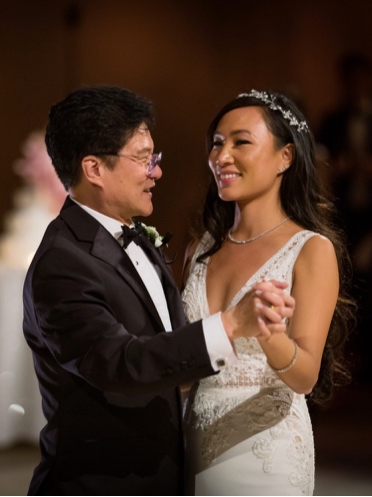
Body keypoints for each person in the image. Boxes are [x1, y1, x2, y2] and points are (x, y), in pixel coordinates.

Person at [22, 85, 293, 495]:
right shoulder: (62, 264)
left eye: (155, 158)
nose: (157, 172)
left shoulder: (133, 233)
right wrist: (232, 323)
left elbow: (167, 344)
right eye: (143, 159)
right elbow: (121, 364)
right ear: (94, 169)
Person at [180, 90, 353, 495]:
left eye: (241, 142)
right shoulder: (200, 248)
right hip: (194, 447)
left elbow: (305, 376)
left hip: (265, 453)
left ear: (285, 158)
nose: (222, 156)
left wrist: (268, 332)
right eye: (217, 143)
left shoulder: (310, 249)